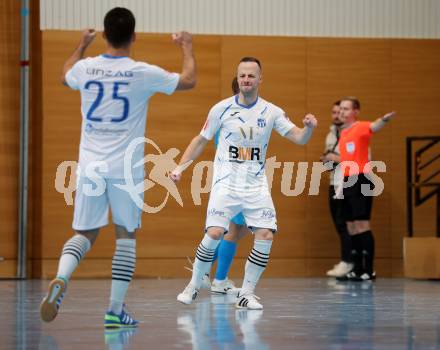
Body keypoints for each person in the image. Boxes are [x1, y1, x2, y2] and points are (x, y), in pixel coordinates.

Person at [39, 7, 196, 327]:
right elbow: (188, 81)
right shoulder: (141, 71)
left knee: (84, 232)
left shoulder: (86, 68)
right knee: (126, 235)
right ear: (133, 36)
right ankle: (114, 310)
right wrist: (186, 47)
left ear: (106, 35)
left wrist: (82, 44)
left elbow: (64, 74)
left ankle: (61, 277)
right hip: (125, 168)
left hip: (89, 165)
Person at [171, 57, 317, 309]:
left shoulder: (272, 112)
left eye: (251, 76)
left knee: (265, 235)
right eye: (242, 76)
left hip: (256, 185)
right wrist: (180, 166)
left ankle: (246, 294)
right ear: (237, 79)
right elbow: (201, 139)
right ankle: (194, 284)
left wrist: (309, 129)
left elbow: (299, 138)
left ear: (260, 79)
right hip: (226, 183)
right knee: (215, 232)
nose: (246, 80)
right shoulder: (220, 109)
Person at [336, 97, 395, 281]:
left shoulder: (361, 127)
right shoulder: (343, 133)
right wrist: (340, 186)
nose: (342, 112)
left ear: (355, 111)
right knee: (351, 226)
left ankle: (369, 270)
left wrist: (384, 120)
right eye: (341, 109)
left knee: (362, 225)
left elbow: (374, 126)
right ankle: (357, 268)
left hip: (361, 179)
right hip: (347, 180)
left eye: (346, 109)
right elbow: (345, 162)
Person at [209, 77, 249, 295]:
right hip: (236, 178)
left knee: (240, 229)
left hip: (237, 177)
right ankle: (219, 279)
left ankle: (204, 267)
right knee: (233, 230)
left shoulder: (226, 112)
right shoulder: (235, 116)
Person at [320, 101, 353, 277]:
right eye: (333, 112)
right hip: (334, 181)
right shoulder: (331, 134)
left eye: (340, 112)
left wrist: (335, 158)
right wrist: (328, 160)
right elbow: (331, 161)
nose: (336, 115)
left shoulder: (353, 133)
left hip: (350, 183)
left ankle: (351, 263)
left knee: (351, 224)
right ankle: (348, 262)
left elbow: (360, 159)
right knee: (339, 224)